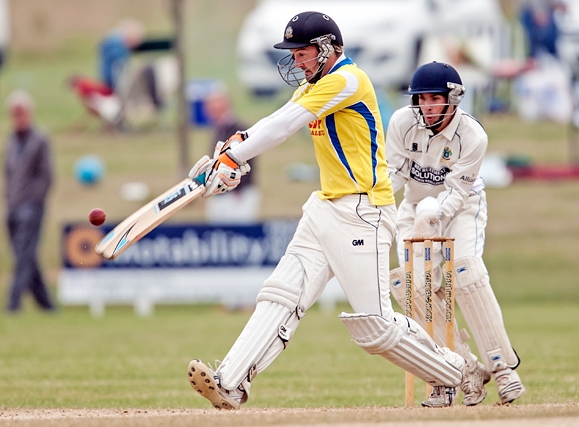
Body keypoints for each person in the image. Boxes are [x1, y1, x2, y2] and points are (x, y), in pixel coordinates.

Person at [186, 11, 470, 410]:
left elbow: (286, 125)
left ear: (324, 48)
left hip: (363, 211)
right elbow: (273, 121)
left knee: (375, 326)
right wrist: (231, 154)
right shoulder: (314, 84)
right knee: (280, 294)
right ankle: (230, 383)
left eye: (301, 53)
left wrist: (234, 157)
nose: (296, 62)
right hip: (324, 207)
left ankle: (453, 372)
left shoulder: (348, 80)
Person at [385, 61, 526, 406]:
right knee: (408, 285)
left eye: (435, 98)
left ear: (455, 98)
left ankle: (503, 366)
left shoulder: (473, 135)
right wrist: (377, 210)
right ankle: (461, 373)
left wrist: (433, 214)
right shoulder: (402, 123)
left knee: (463, 270)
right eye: (421, 99)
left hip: (461, 208)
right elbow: (393, 176)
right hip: (414, 208)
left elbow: (457, 192)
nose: (427, 106)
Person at [2, 90, 56, 313]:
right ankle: (48, 306)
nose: (18, 117)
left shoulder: (40, 140)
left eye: (21, 113)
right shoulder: (10, 141)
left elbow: (46, 176)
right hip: (12, 207)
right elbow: (7, 174)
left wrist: (34, 201)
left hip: (31, 207)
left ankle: (12, 306)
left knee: (24, 256)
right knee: (26, 256)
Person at [202, 89, 261, 224]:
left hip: (237, 196)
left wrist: (238, 189)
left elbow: (248, 161)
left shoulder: (239, 131)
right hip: (219, 194)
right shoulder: (219, 130)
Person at [98, 19, 164, 112]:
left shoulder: (114, 40)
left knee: (147, 68)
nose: (134, 47)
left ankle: (155, 102)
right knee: (148, 68)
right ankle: (156, 103)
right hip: (114, 85)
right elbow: (121, 66)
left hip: (115, 82)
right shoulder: (115, 43)